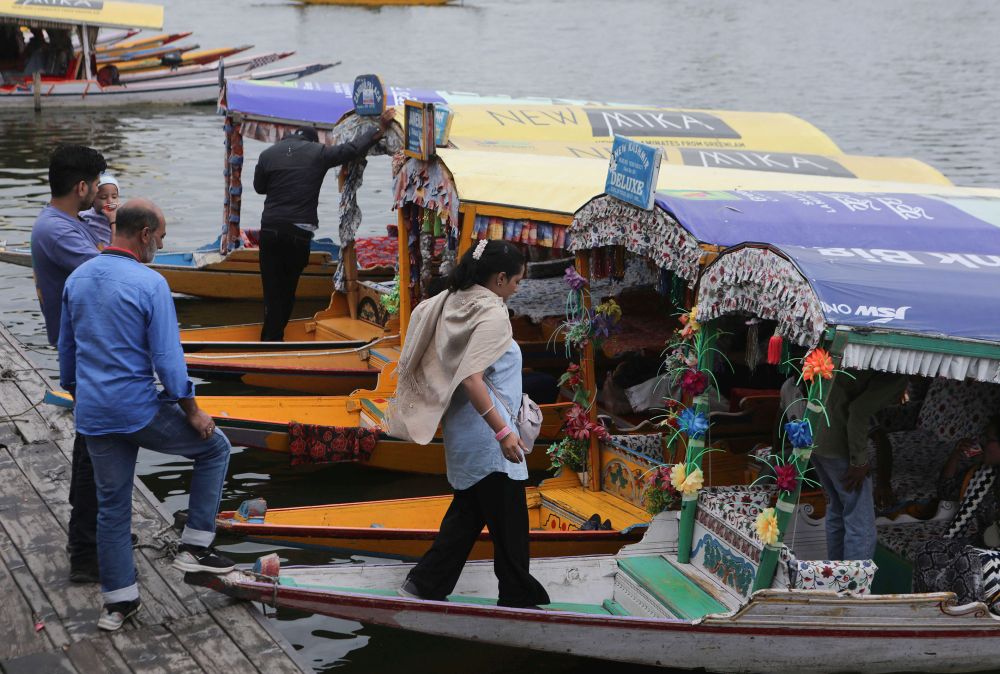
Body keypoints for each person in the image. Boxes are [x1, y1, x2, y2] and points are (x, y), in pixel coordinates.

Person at [58, 200, 235, 632]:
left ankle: (119, 604)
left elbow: (67, 357)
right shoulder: (150, 282)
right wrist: (192, 411)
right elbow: (168, 363)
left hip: (94, 413)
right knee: (215, 449)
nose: (162, 243)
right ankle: (195, 545)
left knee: (112, 509)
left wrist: (84, 397)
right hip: (137, 411)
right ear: (143, 234)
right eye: (161, 237)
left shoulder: (77, 278)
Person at [387, 239, 550, 609]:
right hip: (488, 438)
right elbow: (472, 379)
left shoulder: (452, 300)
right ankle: (518, 597)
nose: (517, 288)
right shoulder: (491, 312)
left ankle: (424, 585)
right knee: (510, 526)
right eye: (517, 281)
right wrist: (504, 433)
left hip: (464, 432)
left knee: (468, 516)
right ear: (500, 278)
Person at [30, 143, 106, 583]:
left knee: (100, 448)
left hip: (90, 351)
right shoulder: (56, 231)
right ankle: (84, 554)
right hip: (84, 354)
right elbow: (108, 272)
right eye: (95, 184)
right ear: (81, 186)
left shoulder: (68, 223)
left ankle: (100, 535)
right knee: (92, 453)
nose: (98, 191)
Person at [253, 108, 395, 341]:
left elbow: (260, 187)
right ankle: (273, 341)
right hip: (298, 234)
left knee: (271, 291)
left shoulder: (268, 154)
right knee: (287, 291)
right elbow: (352, 149)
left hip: (269, 230)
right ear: (310, 140)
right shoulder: (317, 152)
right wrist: (379, 128)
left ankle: (270, 338)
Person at [811, 370, 907, 560]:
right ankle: (854, 587)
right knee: (860, 523)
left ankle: (837, 578)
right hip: (837, 443)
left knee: (837, 510)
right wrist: (859, 461)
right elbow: (859, 412)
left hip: (816, 436)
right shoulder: (898, 374)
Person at [913, 415, 1000, 607]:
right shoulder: (983, 474)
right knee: (929, 551)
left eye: (990, 440)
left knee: (969, 559)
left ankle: (969, 621)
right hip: (985, 547)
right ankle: (930, 613)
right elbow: (946, 490)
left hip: (991, 554)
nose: (983, 444)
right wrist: (956, 456)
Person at [79, 173, 120, 248]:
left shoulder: (122, 217)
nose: (110, 201)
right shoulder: (84, 216)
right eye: (103, 197)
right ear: (93, 199)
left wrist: (113, 221)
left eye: (114, 197)